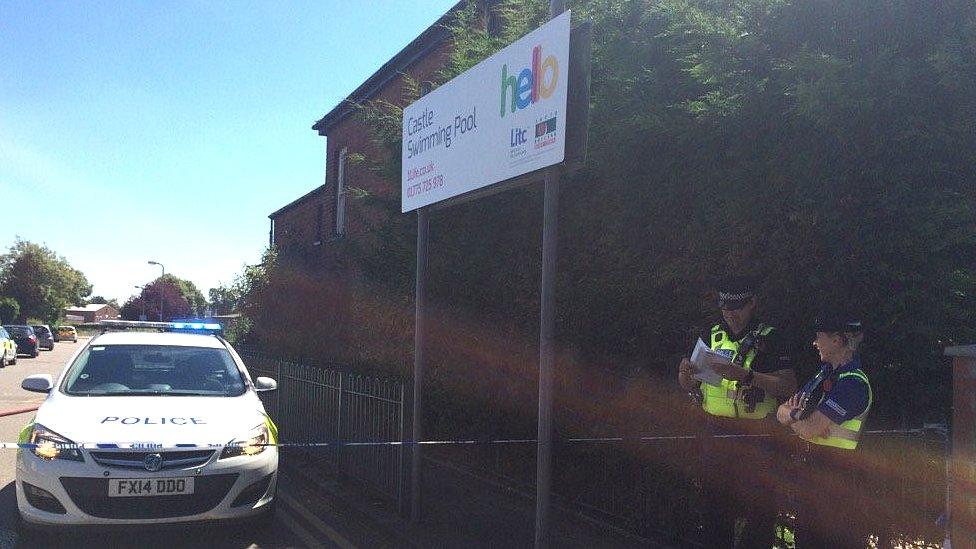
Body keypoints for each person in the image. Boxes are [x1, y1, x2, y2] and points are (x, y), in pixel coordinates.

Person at [677, 276, 797, 547]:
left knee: (759, 515)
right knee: (714, 513)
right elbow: (688, 383)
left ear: (752, 303)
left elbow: (788, 384)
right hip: (716, 432)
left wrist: (747, 375)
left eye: (737, 307)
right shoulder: (710, 334)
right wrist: (685, 374)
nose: (729, 314)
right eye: (725, 308)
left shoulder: (770, 337)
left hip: (758, 436)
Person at [777, 312, 873, 547]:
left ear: (837, 341)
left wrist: (793, 418)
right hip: (815, 473)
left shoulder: (852, 383)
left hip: (840, 477)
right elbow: (784, 411)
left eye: (819, 337)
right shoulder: (825, 374)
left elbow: (809, 427)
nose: (814, 343)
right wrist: (794, 416)